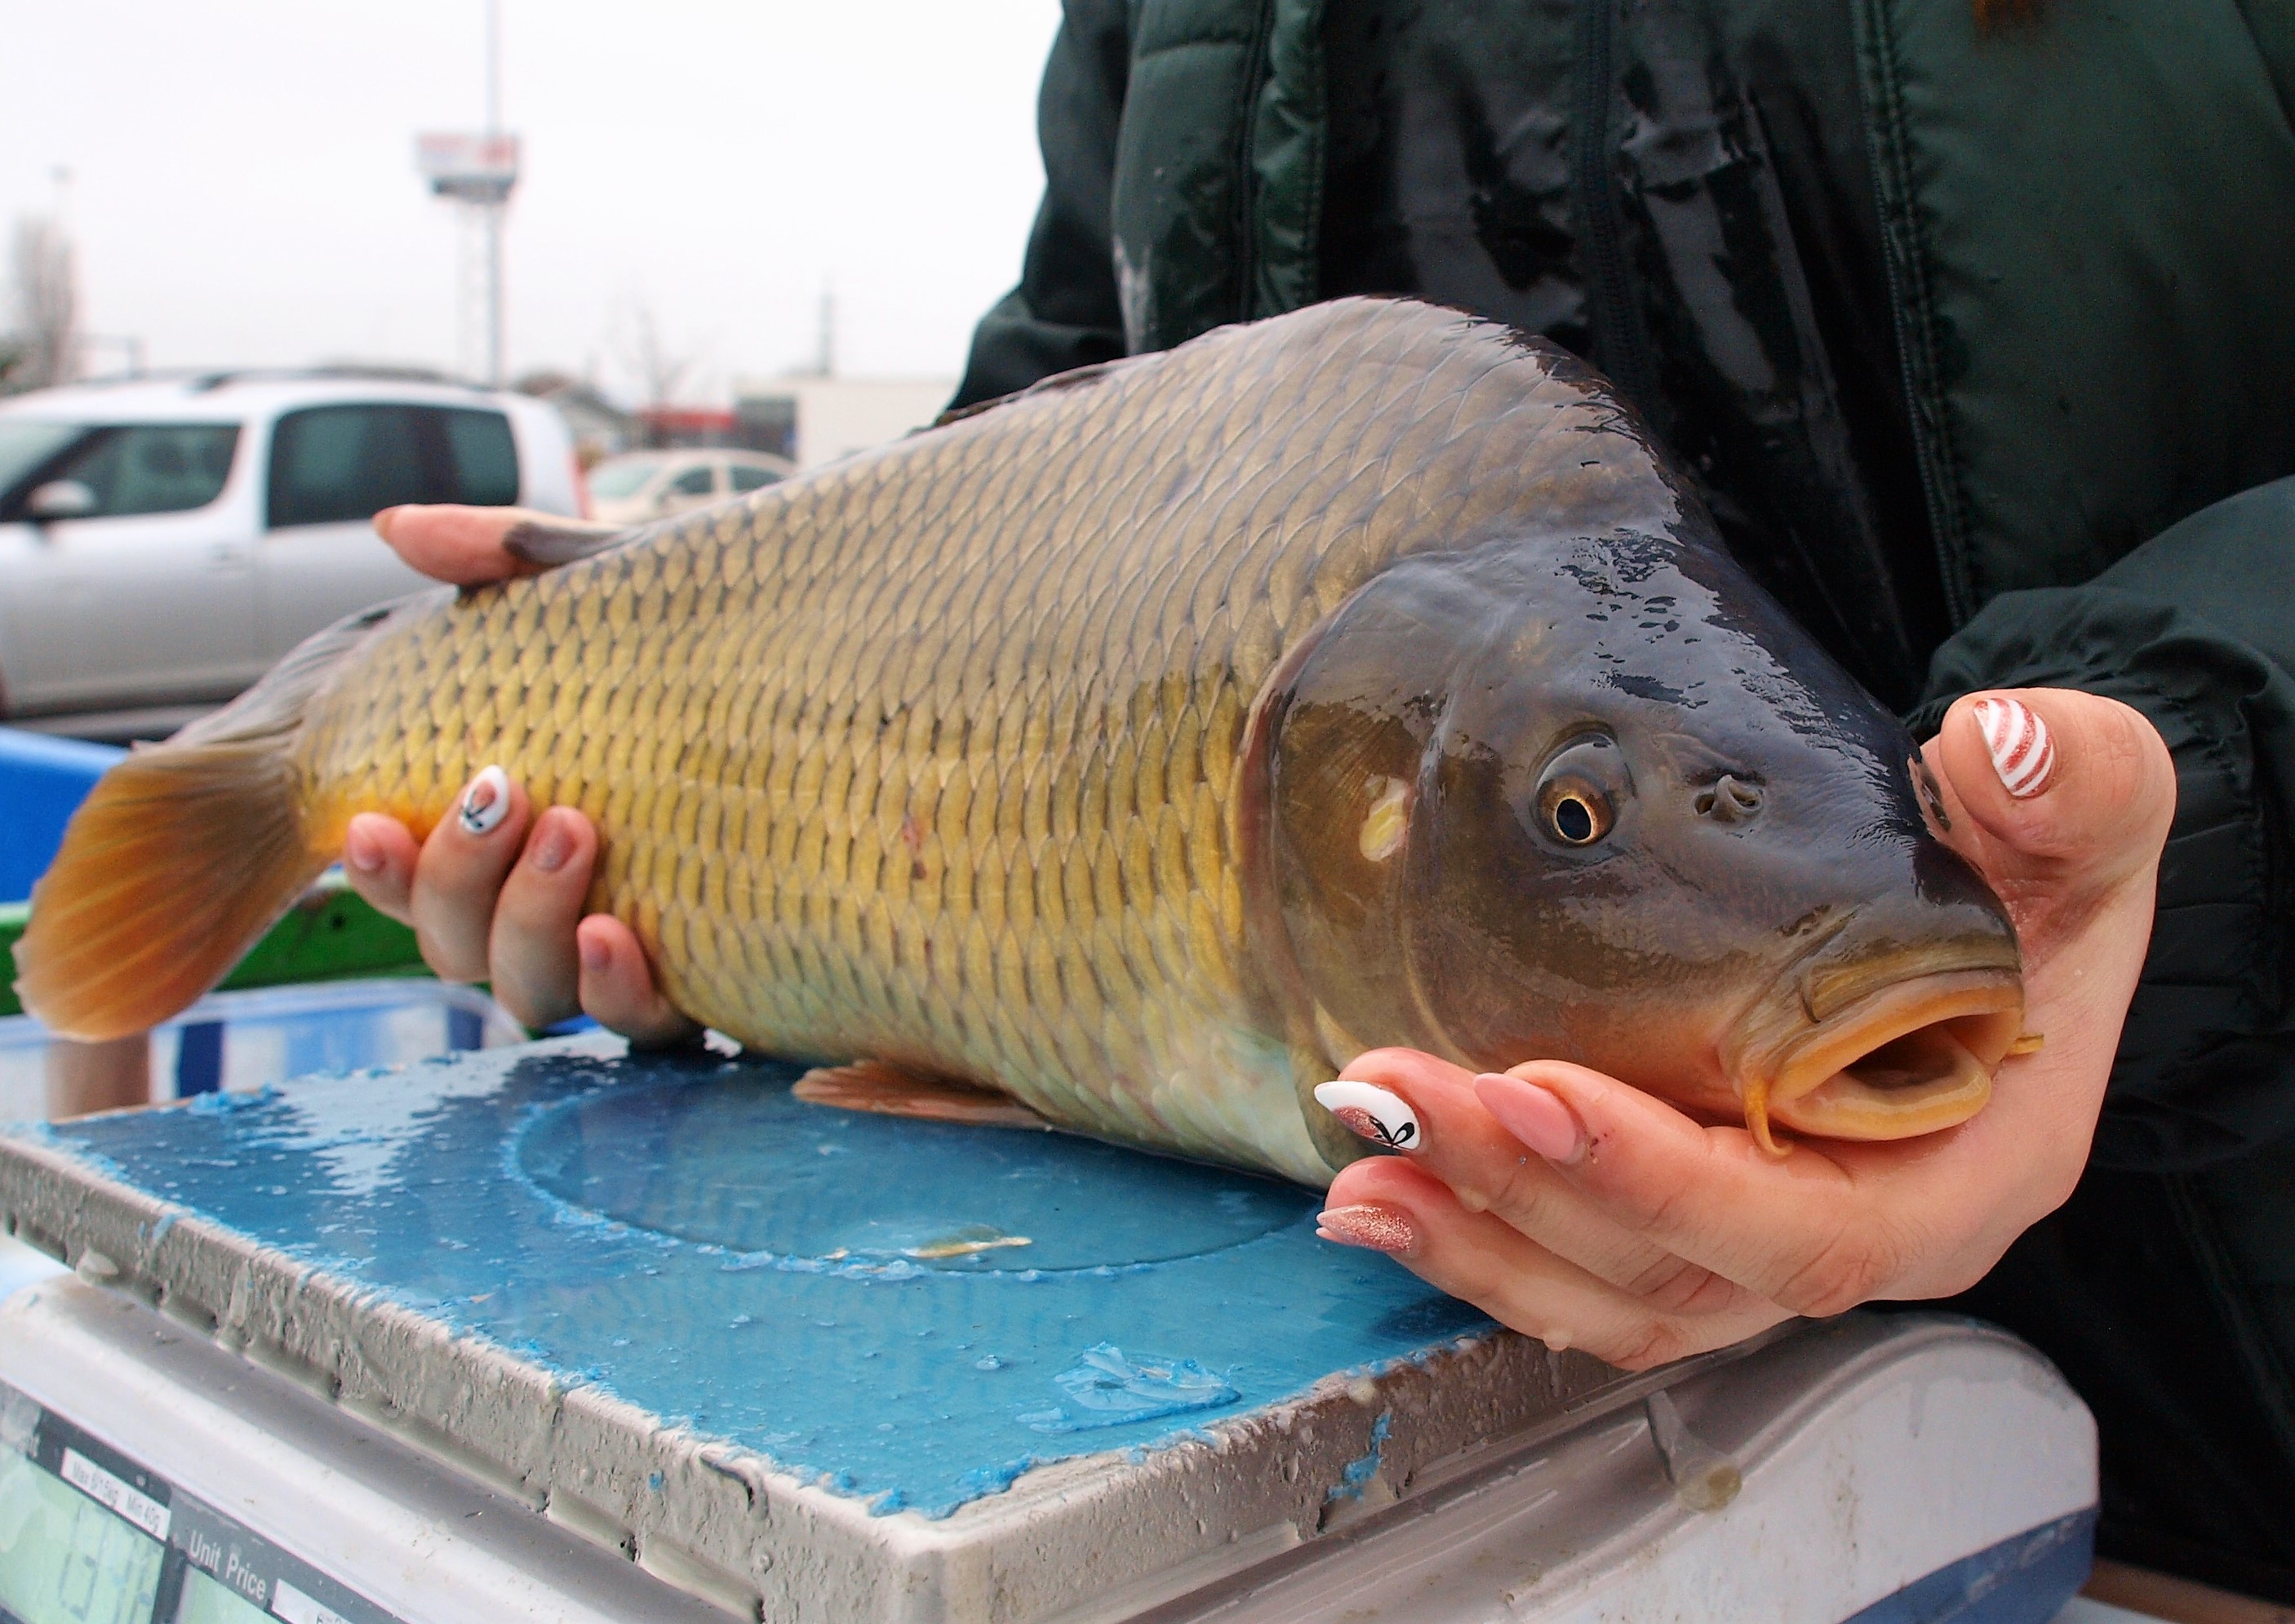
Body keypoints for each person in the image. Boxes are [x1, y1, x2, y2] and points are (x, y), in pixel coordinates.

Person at [353, 0, 2295, 1598]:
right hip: (1268, 1508)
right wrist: (683, 738)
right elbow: (1047, 433)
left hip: (2193, 1491)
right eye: (1577, 824)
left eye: (1568, 824)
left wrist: (2210, 802)